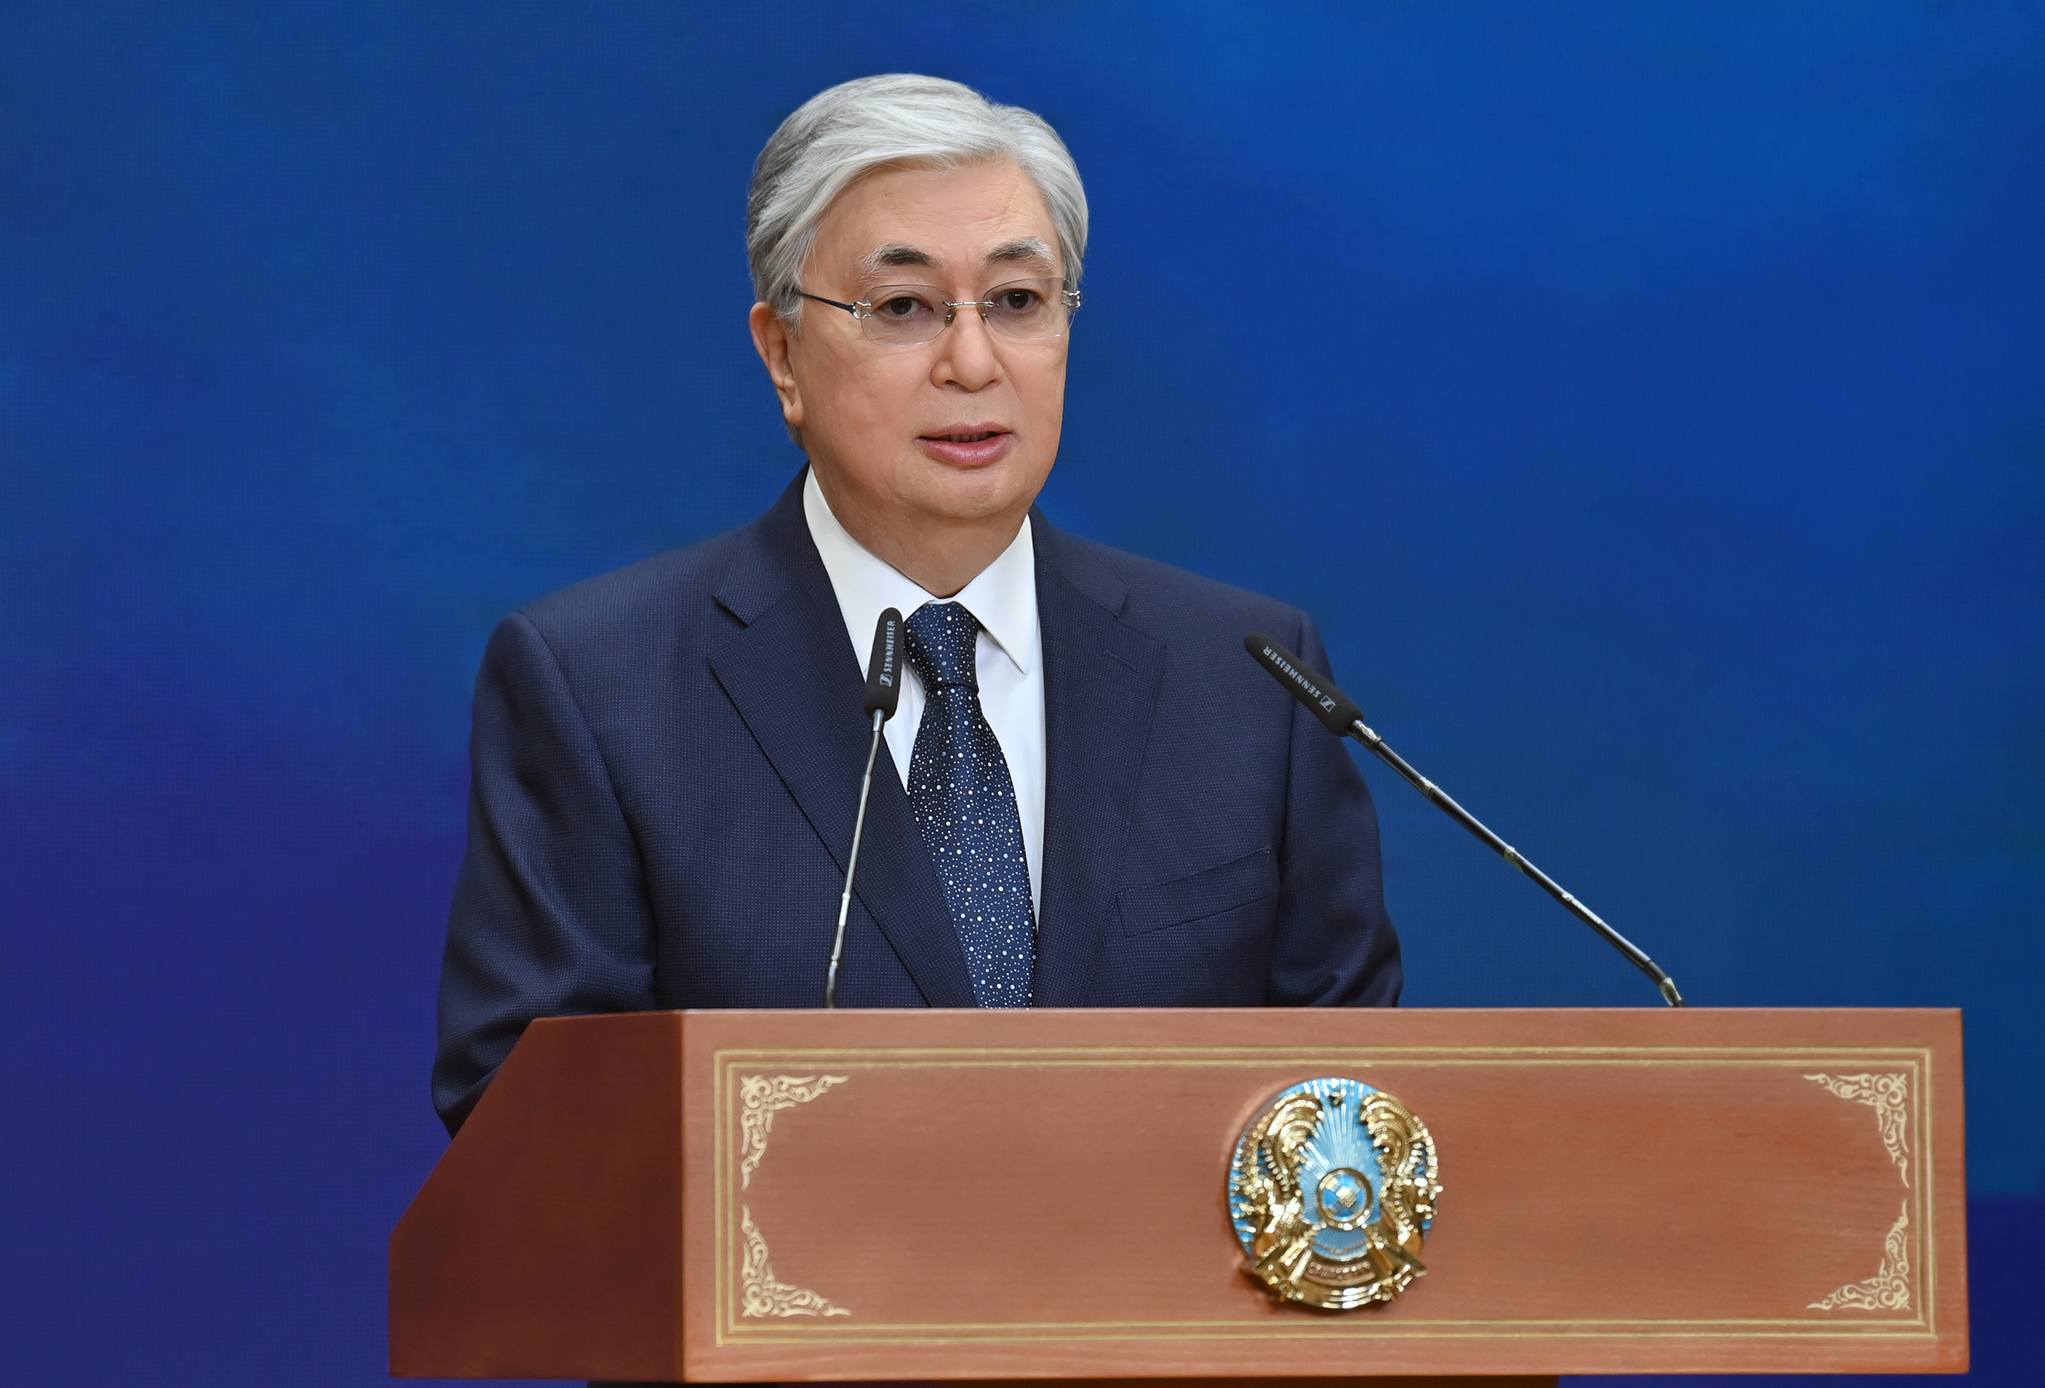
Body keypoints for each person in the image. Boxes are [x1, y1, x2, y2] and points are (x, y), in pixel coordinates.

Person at [433, 74, 1401, 1136]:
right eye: (902, 308)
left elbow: (1352, 1110)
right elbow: (528, 1130)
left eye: (1017, 301)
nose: (972, 362)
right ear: (782, 354)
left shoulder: (1250, 679)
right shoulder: (598, 687)